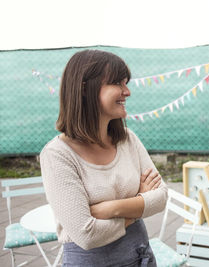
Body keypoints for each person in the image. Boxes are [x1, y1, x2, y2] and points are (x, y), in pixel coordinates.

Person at [40, 49, 168, 266]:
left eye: (125, 83)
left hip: (141, 255)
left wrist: (108, 208)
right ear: (84, 88)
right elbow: (87, 235)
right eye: (118, 83)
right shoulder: (57, 155)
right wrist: (139, 201)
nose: (127, 91)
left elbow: (161, 197)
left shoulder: (128, 139)